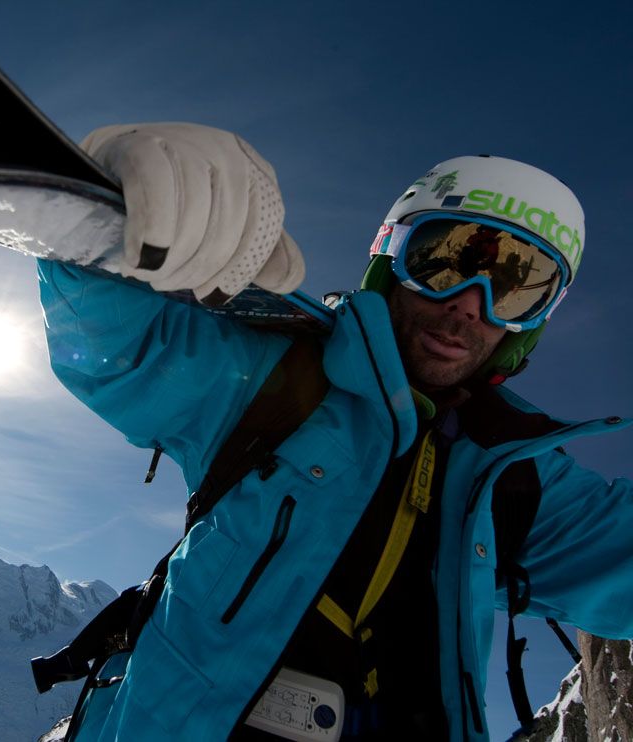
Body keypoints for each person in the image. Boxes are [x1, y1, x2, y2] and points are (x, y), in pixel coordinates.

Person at [35, 123, 632, 741]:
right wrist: (112, 223)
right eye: (445, 261)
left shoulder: (520, 478)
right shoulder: (276, 377)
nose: (469, 304)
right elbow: (122, 348)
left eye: (515, 289)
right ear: (391, 260)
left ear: (533, 321)